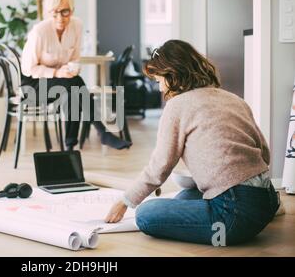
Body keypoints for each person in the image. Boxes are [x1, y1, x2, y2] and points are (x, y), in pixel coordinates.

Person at [105, 40, 280, 246]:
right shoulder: (234, 99)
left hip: (231, 220)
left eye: (160, 79)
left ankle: (228, 231)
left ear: (172, 75)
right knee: (185, 196)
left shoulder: (177, 106)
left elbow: (159, 167)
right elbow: (264, 153)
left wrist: (125, 201)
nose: (160, 87)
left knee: (145, 214)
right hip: (266, 201)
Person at [21, 0, 131, 151]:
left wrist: (71, 69)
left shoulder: (76, 26)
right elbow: (28, 68)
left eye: (65, 12)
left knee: (73, 90)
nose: (60, 18)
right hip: (33, 86)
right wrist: (57, 73)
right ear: (48, 12)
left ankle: (70, 148)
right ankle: (101, 132)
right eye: (55, 12)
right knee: (74, 84)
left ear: (71, 10)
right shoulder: (39, 32)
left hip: (62, 83)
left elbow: (74, 58)